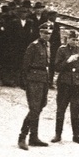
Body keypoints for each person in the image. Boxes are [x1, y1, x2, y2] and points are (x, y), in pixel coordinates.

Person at [18, 22, 53, 150]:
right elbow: (25, 65)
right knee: (34, 108)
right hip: (33, 80)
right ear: (40, 33)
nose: (47, 35)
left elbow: (47, 65)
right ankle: (22, 137)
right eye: (45, 33)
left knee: (40, 106)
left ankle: (34, 137)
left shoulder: (47, 45)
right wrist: (24, 82)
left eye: (49, 33)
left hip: (43, 79)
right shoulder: (33, 46)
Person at [51, 30, 79, 144]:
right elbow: (57, 67)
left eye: (77, 40)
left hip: (77, 85)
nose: (75, 42)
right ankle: (58, 135)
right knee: (61, 109)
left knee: (75, 110)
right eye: (73, 39)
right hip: (64, 84)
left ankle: (76, 135)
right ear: (68, 39)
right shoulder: (62, 50)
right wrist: (68, 61)